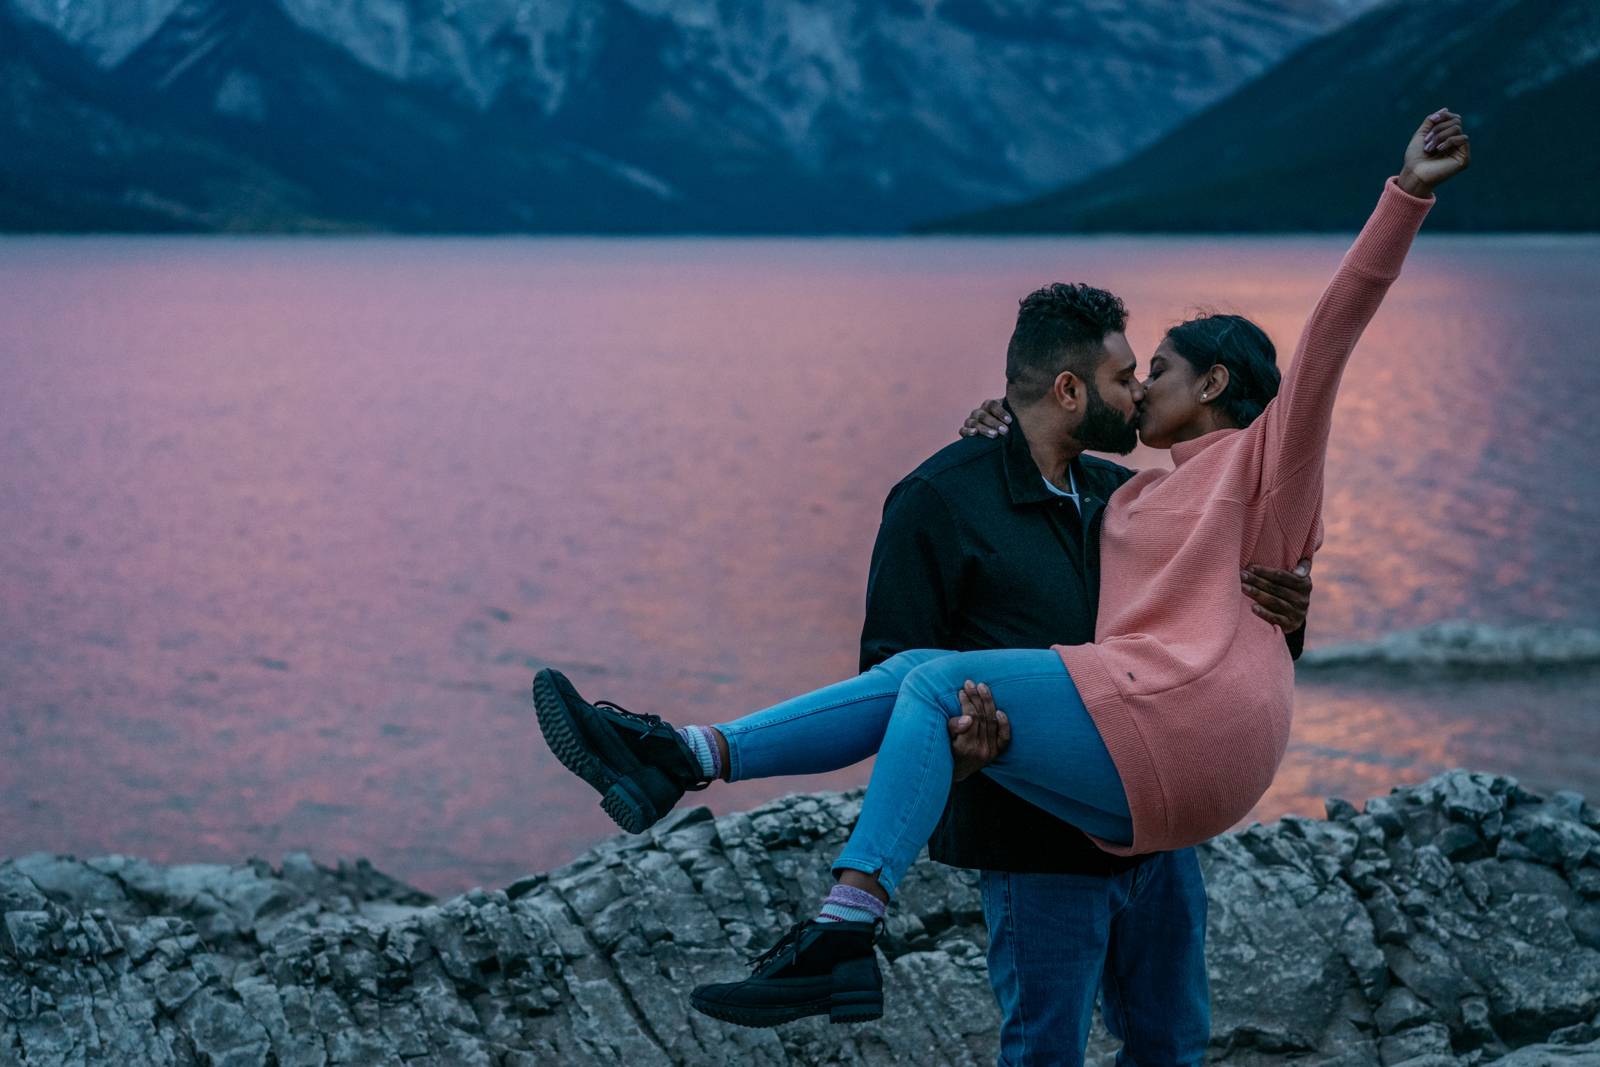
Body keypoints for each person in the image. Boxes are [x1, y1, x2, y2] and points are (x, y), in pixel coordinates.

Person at [532, 110, 1471, 1034]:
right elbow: (1047, 519)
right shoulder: (1121, 496)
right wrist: (1008, 430)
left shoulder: (1266, 468)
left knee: (934, 684)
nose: (1139, 388)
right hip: (1112, 764)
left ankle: (843, 923)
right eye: (1123, 376)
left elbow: (1331, 341)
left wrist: (1406, 195)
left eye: (1157, 372)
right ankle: (682, 756)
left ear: (1216, 386)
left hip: (1193, 722)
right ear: (1065, 391)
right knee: (918, 679)